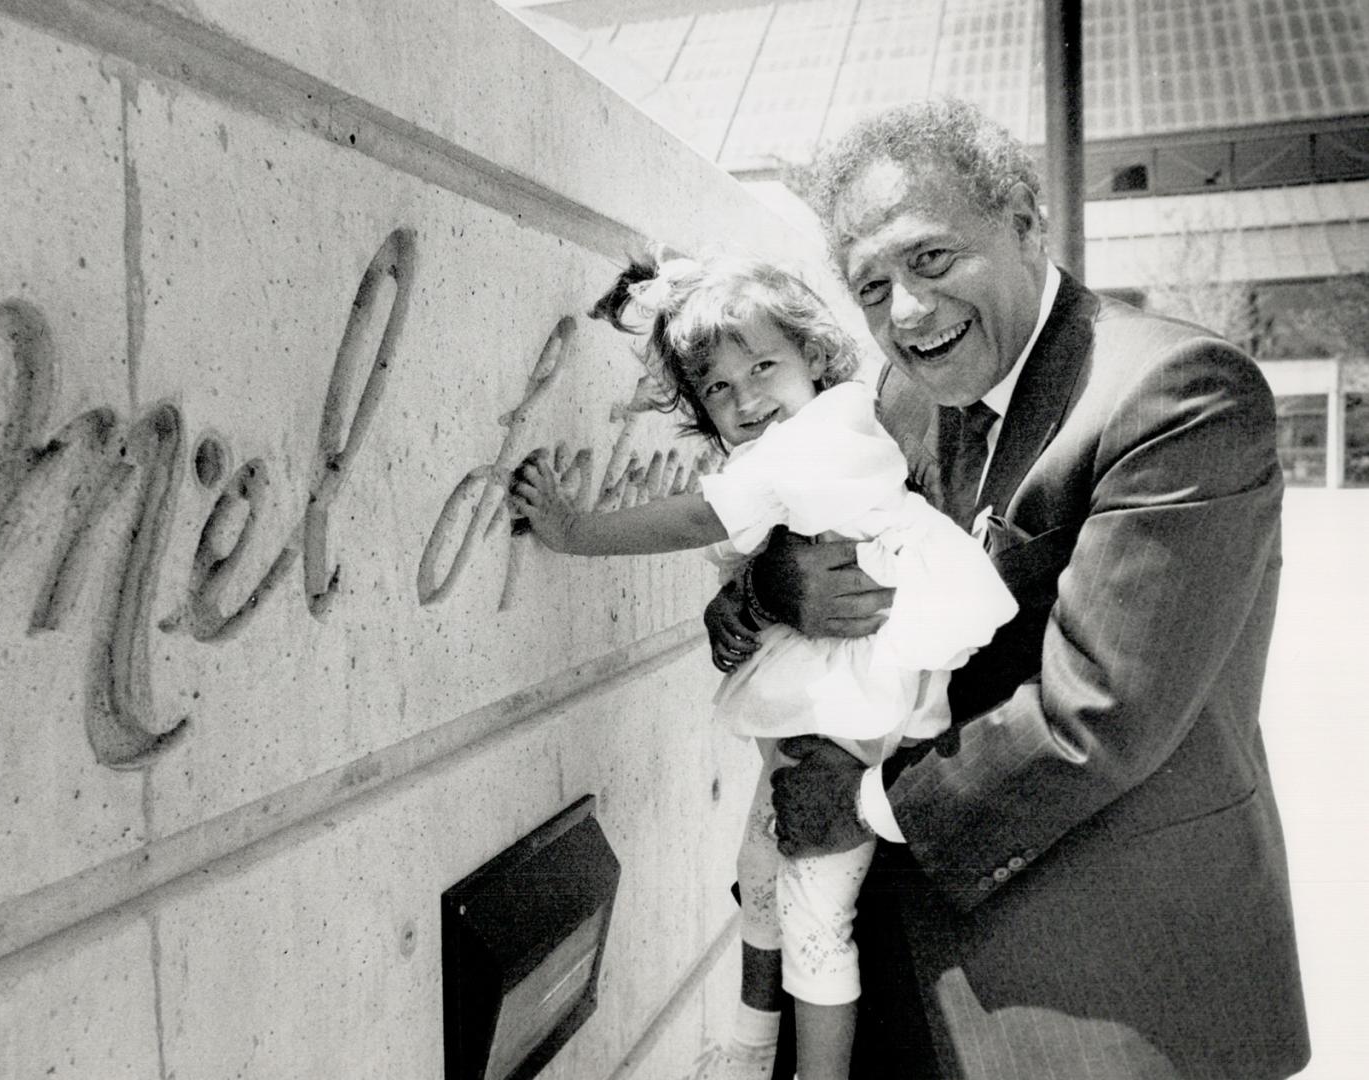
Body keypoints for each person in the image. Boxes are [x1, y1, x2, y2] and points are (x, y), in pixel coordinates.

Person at [707, 97, 1310, 1079]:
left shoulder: (1176, 393)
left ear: (1026, 224)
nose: (903, 312)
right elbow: (790, 557)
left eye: (929, 259)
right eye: (870, 287)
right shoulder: (897, 400)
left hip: (1104, 986)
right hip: (895, 956)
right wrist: (777, 588)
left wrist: (857, 803)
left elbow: (1097, 715)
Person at [511, 251, 1016, 1080]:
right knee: (760, 874)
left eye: (762, 367)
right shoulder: (815, 434)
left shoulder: (812, 443)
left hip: (848, 705)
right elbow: (750, 564)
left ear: (815, 357)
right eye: (716, 388)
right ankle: (748, 1047)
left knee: (817, 915)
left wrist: (573, 531)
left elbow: (692, 519)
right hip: (826, 691)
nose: (744, 398)